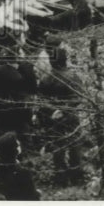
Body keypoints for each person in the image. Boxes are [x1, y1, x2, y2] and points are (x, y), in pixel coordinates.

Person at [38, 45, 85, 184]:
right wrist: (65, 110)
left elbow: (42, 100)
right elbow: (79, 97)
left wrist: (53, 111)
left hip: (53, 117)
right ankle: (77, 175)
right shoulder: (73, 77)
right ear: (65, 60)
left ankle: (61, 176)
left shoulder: (45, 78)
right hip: (71, 115)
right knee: (75, 144)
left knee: (57, 145)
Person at [0, 131, 40, 201]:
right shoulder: (23, 173)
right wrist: (37, 194)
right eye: (17, 144)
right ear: (16, 150)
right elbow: (32, 198)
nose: (19, 144)